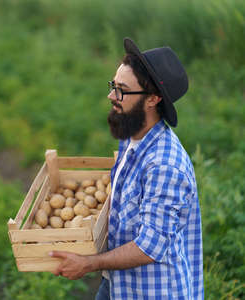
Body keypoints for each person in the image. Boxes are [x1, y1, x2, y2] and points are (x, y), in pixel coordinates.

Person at [49, 38, 203, 299]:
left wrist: (89, 262)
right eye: (113, 85)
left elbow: (148, 248)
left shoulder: (164, 165)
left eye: (121, 90)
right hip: (118, 284)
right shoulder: (131, 135)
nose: (111, 96)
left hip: (151, 291)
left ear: (153, 99)